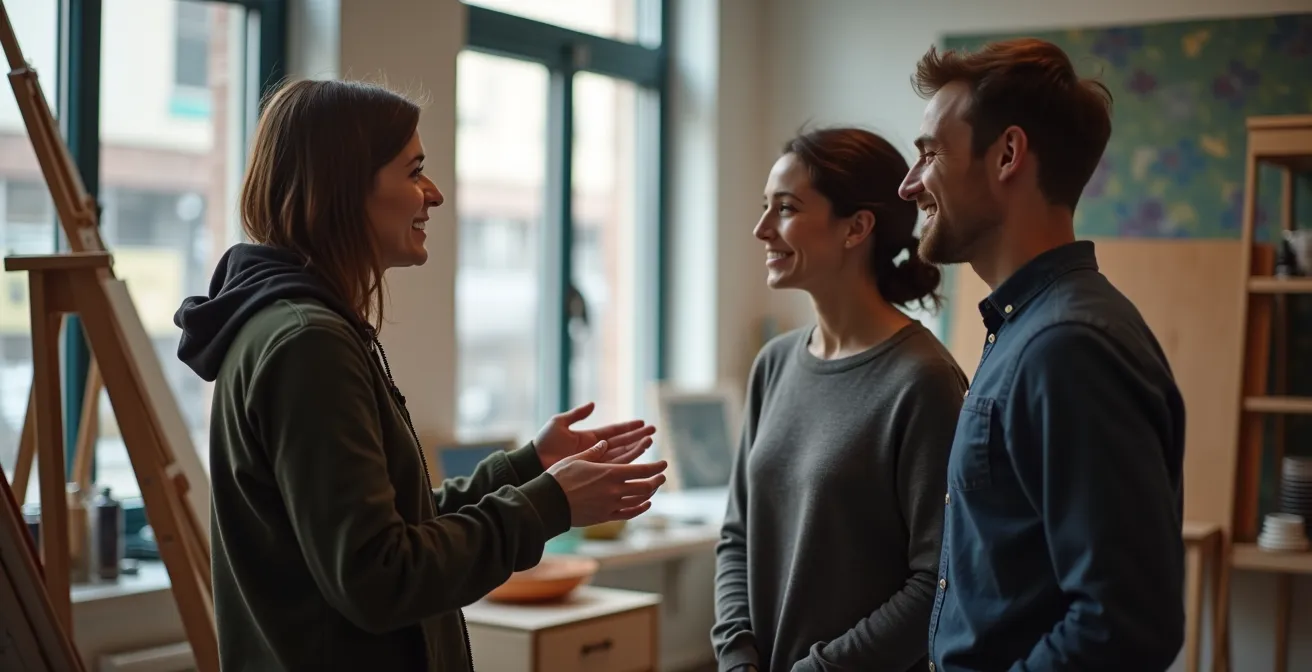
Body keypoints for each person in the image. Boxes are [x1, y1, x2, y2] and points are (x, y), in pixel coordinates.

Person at [172, 79, 668, 671]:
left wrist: (527, 466)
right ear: (344, 187)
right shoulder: (308, 343)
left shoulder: (293, 327)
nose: (432, 195)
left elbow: (388, 522)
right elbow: (380, 575)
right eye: (413, 171)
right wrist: (549, 504)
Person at [898, 38, 1186, 670]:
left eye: (929, 153)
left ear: (1007, 154)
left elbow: (1125, 625)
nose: (908, 184)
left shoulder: (1067, 348)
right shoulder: (1028, 330)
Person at [711, 127, 969, 672]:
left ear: (857, 227)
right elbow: (737, 536)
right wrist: (737, 658)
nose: (761, 230)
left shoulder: (923, 380)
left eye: (785, 209)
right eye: (765, 208)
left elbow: (937, 583)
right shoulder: (773, 364)